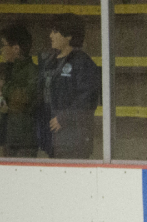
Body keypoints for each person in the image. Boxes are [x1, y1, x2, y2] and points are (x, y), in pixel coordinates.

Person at [37, 13, 100, 159]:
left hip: (74, 138)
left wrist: (64, 118)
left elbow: (88, 97)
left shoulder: (82, 62)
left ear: (69, 36)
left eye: (55, 31)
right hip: (53, 137)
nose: (50, 35)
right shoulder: (49, 61)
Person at [0, 22, 39, 157]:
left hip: (23, 141)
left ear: (16, 49)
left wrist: (4, 87)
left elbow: (26, 98)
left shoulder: (32, 71)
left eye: (4, 45)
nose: (1, 49)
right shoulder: (5, 68)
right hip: (5, 137)